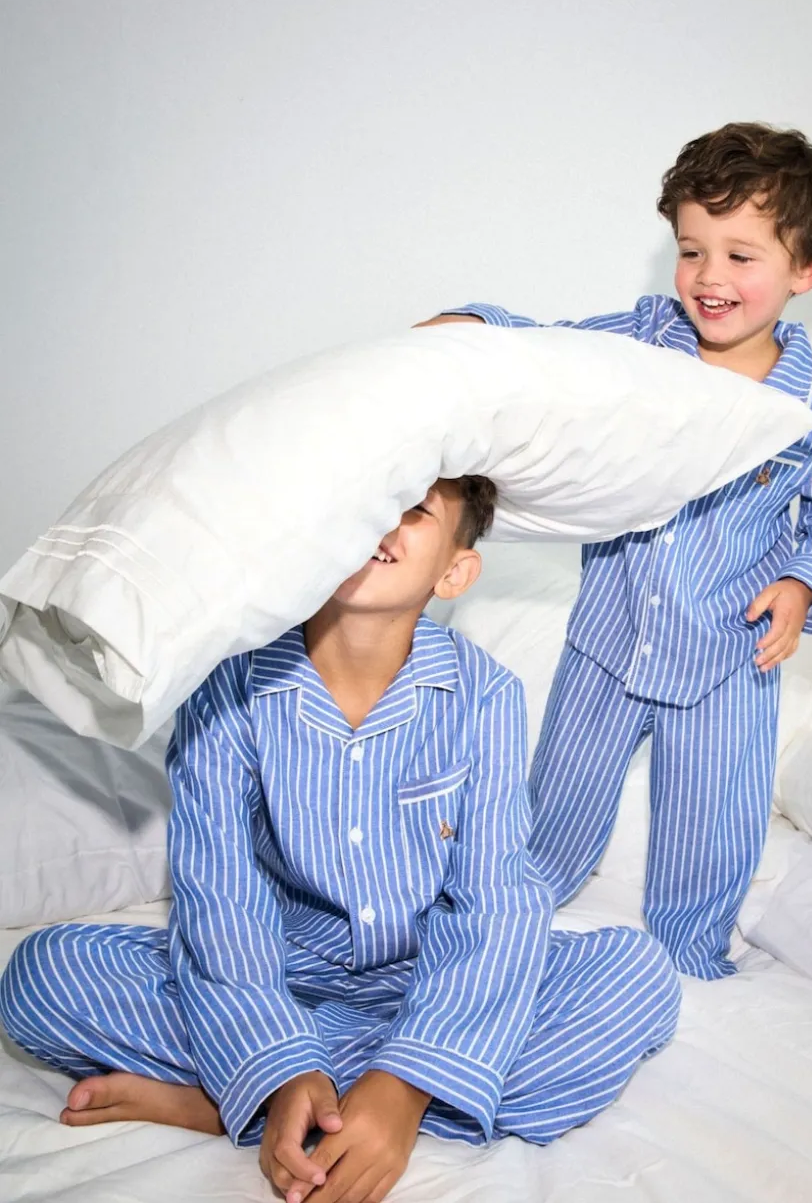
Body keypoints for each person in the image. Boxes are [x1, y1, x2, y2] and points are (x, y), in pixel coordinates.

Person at [0, 476, 681, 1203]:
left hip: (430, 980)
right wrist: (280, 1058)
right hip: (276, 974)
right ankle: (287, 1089)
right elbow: (220, 899)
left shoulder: (486, 695)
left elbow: (495, 903)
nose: (381, 520)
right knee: (42, 977)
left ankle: (250, 1102)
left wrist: (405, 1083)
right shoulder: (227, 688)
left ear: (455, 572)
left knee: (638, 975)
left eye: (413, 510)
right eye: (369, 500)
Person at [419, 122, 812, 981]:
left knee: (713, 820)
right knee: (558, 799)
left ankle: (689, 957)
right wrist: (479, 326)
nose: (709, 277)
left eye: (741, 256)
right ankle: (505, 917)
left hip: (727, 656)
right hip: (611, 636)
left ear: (806, 270)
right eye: (692, 251)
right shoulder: (641, 343)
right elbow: (549, 352)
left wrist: (803, 585)